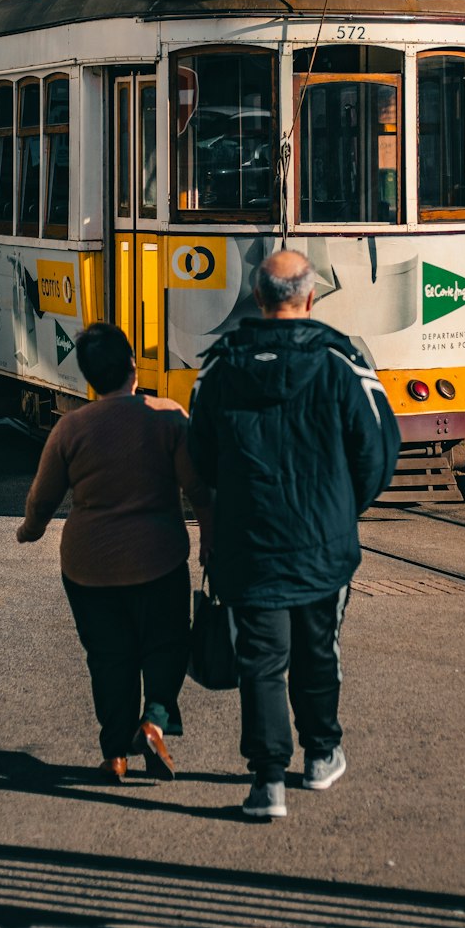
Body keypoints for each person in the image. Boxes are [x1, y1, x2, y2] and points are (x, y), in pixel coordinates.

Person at [188, 249, 401, 821]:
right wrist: (340, 508)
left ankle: (266, 783)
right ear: (310, 298)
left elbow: (200, 459)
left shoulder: (221, 366)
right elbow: (378, 452)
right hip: (323, 544)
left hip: (247, 544)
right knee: (317, 650)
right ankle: (321, 755)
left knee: (260, 659)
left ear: (257, 297)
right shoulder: (343, 362)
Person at [16, 322, 213, 783]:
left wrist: (30, 531)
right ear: (132, 368)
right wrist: (212, 538)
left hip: (89, 567)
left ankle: (114, 755)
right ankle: (154, 722)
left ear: (88, 376)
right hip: (158, 560)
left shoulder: (70, 428)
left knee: (109, 657)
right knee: (166, 646)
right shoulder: (169, 417)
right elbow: (199, 489)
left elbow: (42, 499)